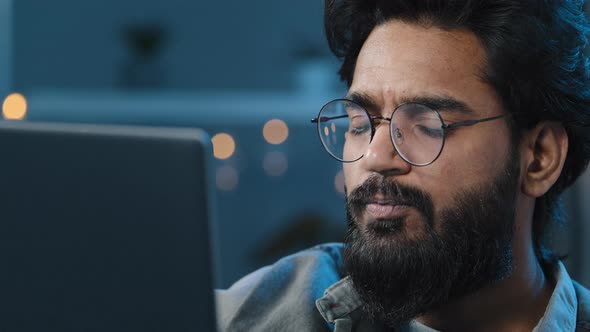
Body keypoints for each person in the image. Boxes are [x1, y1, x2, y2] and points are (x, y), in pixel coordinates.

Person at [215, 0, 590, 331]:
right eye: (360, 124)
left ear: (540, 157)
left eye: (427, 127)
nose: (375, 157)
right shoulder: (257, 315)